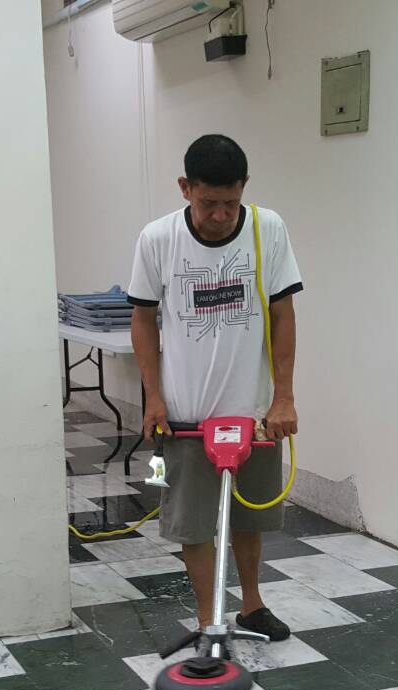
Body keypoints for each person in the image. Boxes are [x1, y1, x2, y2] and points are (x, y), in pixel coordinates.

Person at [127, 134, 303, 646]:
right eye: (209, 203)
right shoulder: (157, 239)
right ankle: (209, 620)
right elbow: (142, 319)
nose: (222, 216)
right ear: (185, 188)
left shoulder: (268, 229)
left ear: (244, 188)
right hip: (187, 413)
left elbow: (283, 314)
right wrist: (153, 396)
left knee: (250, 516)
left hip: (254, 410)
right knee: (193, 523)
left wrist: (284, 397)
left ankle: (251, 605)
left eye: (231, 202)